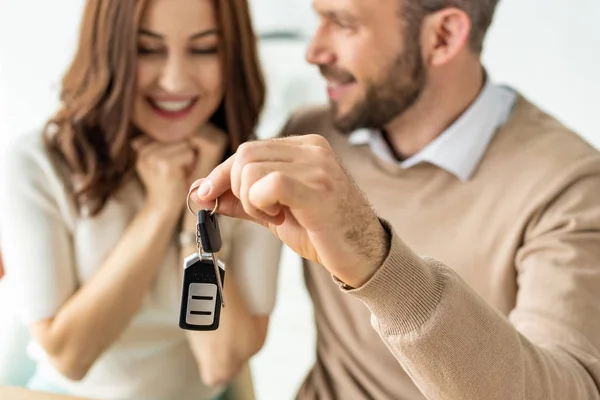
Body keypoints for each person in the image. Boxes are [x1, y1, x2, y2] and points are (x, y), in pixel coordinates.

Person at [190, 0, 600, 399]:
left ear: (442, 36)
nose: (314, 52)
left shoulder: (570, 186)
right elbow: (219, 358)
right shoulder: (315, 139)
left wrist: (376, 260)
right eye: (318, 19)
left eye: (343, 23)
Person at [0, 0, 282, 399]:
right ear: (108, 51)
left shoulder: (253, 170)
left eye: (204, 49)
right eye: (146, 49)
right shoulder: (36, 165)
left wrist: (196, 216)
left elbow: (220, 361)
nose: (174, 80)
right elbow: (70, 357)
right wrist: (160, 208)